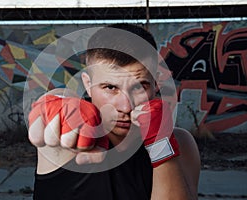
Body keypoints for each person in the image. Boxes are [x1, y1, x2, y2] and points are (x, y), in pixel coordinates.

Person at [28, 23, 200, 200]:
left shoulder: (181, 144)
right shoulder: (70, 136)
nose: (125, 106)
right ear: (88, 84)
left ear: (155, 85)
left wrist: (160, 146)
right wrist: (54, 104)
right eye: (110, 87)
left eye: (139, 86)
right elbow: (58, 102)